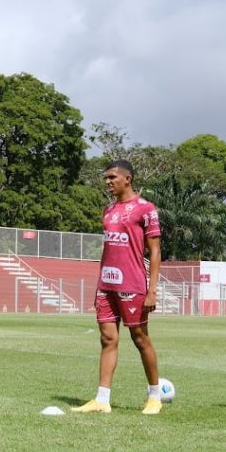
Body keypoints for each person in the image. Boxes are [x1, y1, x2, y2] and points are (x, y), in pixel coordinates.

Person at [72, 159, 163, 415]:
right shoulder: (108, 210)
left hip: (133, 285)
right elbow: (107, 250)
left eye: (112, 177)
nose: (108, 182)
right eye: (106, 178)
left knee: (140, 338)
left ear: (127, 179)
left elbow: (155, 251)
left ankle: (154, 396)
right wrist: (99, 284)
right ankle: (102, 399)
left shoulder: (145, 209)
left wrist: (152, 289)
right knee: (107, 338)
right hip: (107, 285)